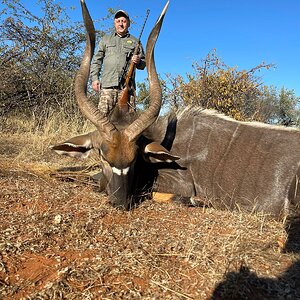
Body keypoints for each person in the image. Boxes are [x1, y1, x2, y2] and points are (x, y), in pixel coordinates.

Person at [90, 9, 146, 116]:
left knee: (127, 124)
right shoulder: (105, 39)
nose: (121, 24)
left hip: (127, 89)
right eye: (118, 21)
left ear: (128, 24)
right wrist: (95, 79)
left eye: (124, 21)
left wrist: (138, 61)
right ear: (114, 23)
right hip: (107, 88)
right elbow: (97, 60)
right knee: (103, 121)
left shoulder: (135, 41)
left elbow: (143, 64)